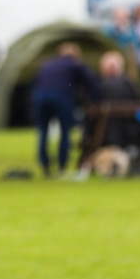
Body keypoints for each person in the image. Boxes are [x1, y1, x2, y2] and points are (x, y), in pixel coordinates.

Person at [31, 42, 99, 178]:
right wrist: (95, 100)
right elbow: (91, 82)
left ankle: (45, 166)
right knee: (65, 131)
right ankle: (62, 166)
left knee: (43, 132)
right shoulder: (75, 65)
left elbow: (36, 82)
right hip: (61, 98)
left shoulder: (48, 63)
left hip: (40, 98)